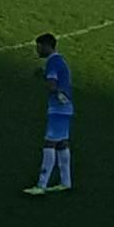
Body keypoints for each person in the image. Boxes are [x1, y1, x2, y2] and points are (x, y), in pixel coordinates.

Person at [24, 32, 74, 195]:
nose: (37, 50)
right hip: (66, 108)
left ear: (46, 46)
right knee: (62, 143)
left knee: (49, 144)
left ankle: (41, 185)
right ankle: (66, 181)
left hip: (58, 109)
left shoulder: (53, 62)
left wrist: (44, 77)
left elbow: (53, 84)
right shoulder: (61, 61)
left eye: (39, 47)